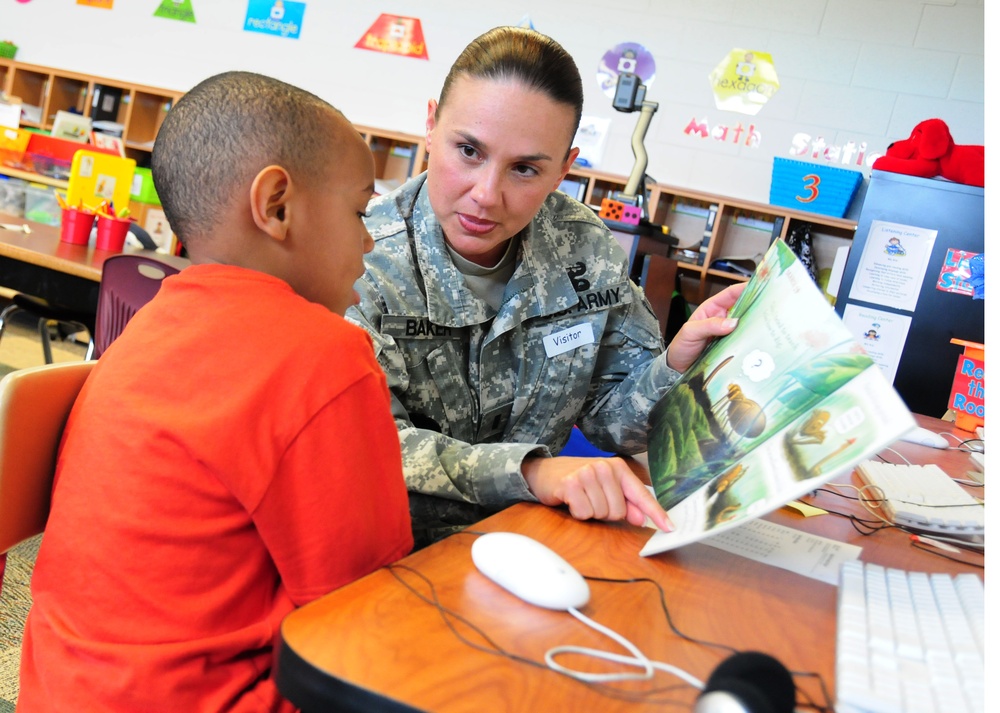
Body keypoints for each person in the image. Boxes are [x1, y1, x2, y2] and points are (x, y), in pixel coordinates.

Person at [19, 71, 413, 712]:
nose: (369, 241)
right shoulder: (321, 354)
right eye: (360, 212)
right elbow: (365, 612)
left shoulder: (150, 327)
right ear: (277, 205)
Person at [348, 26, 743, 548]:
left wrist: (677, 361)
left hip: (535, 542)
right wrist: (532, 474)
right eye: (468, 150)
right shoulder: (359, 256)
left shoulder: (581, 247)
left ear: (563, 170)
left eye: (525, 169)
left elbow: (616, 424)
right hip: (394, 559)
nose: (487, 195)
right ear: (430, 125)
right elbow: (366, 447)